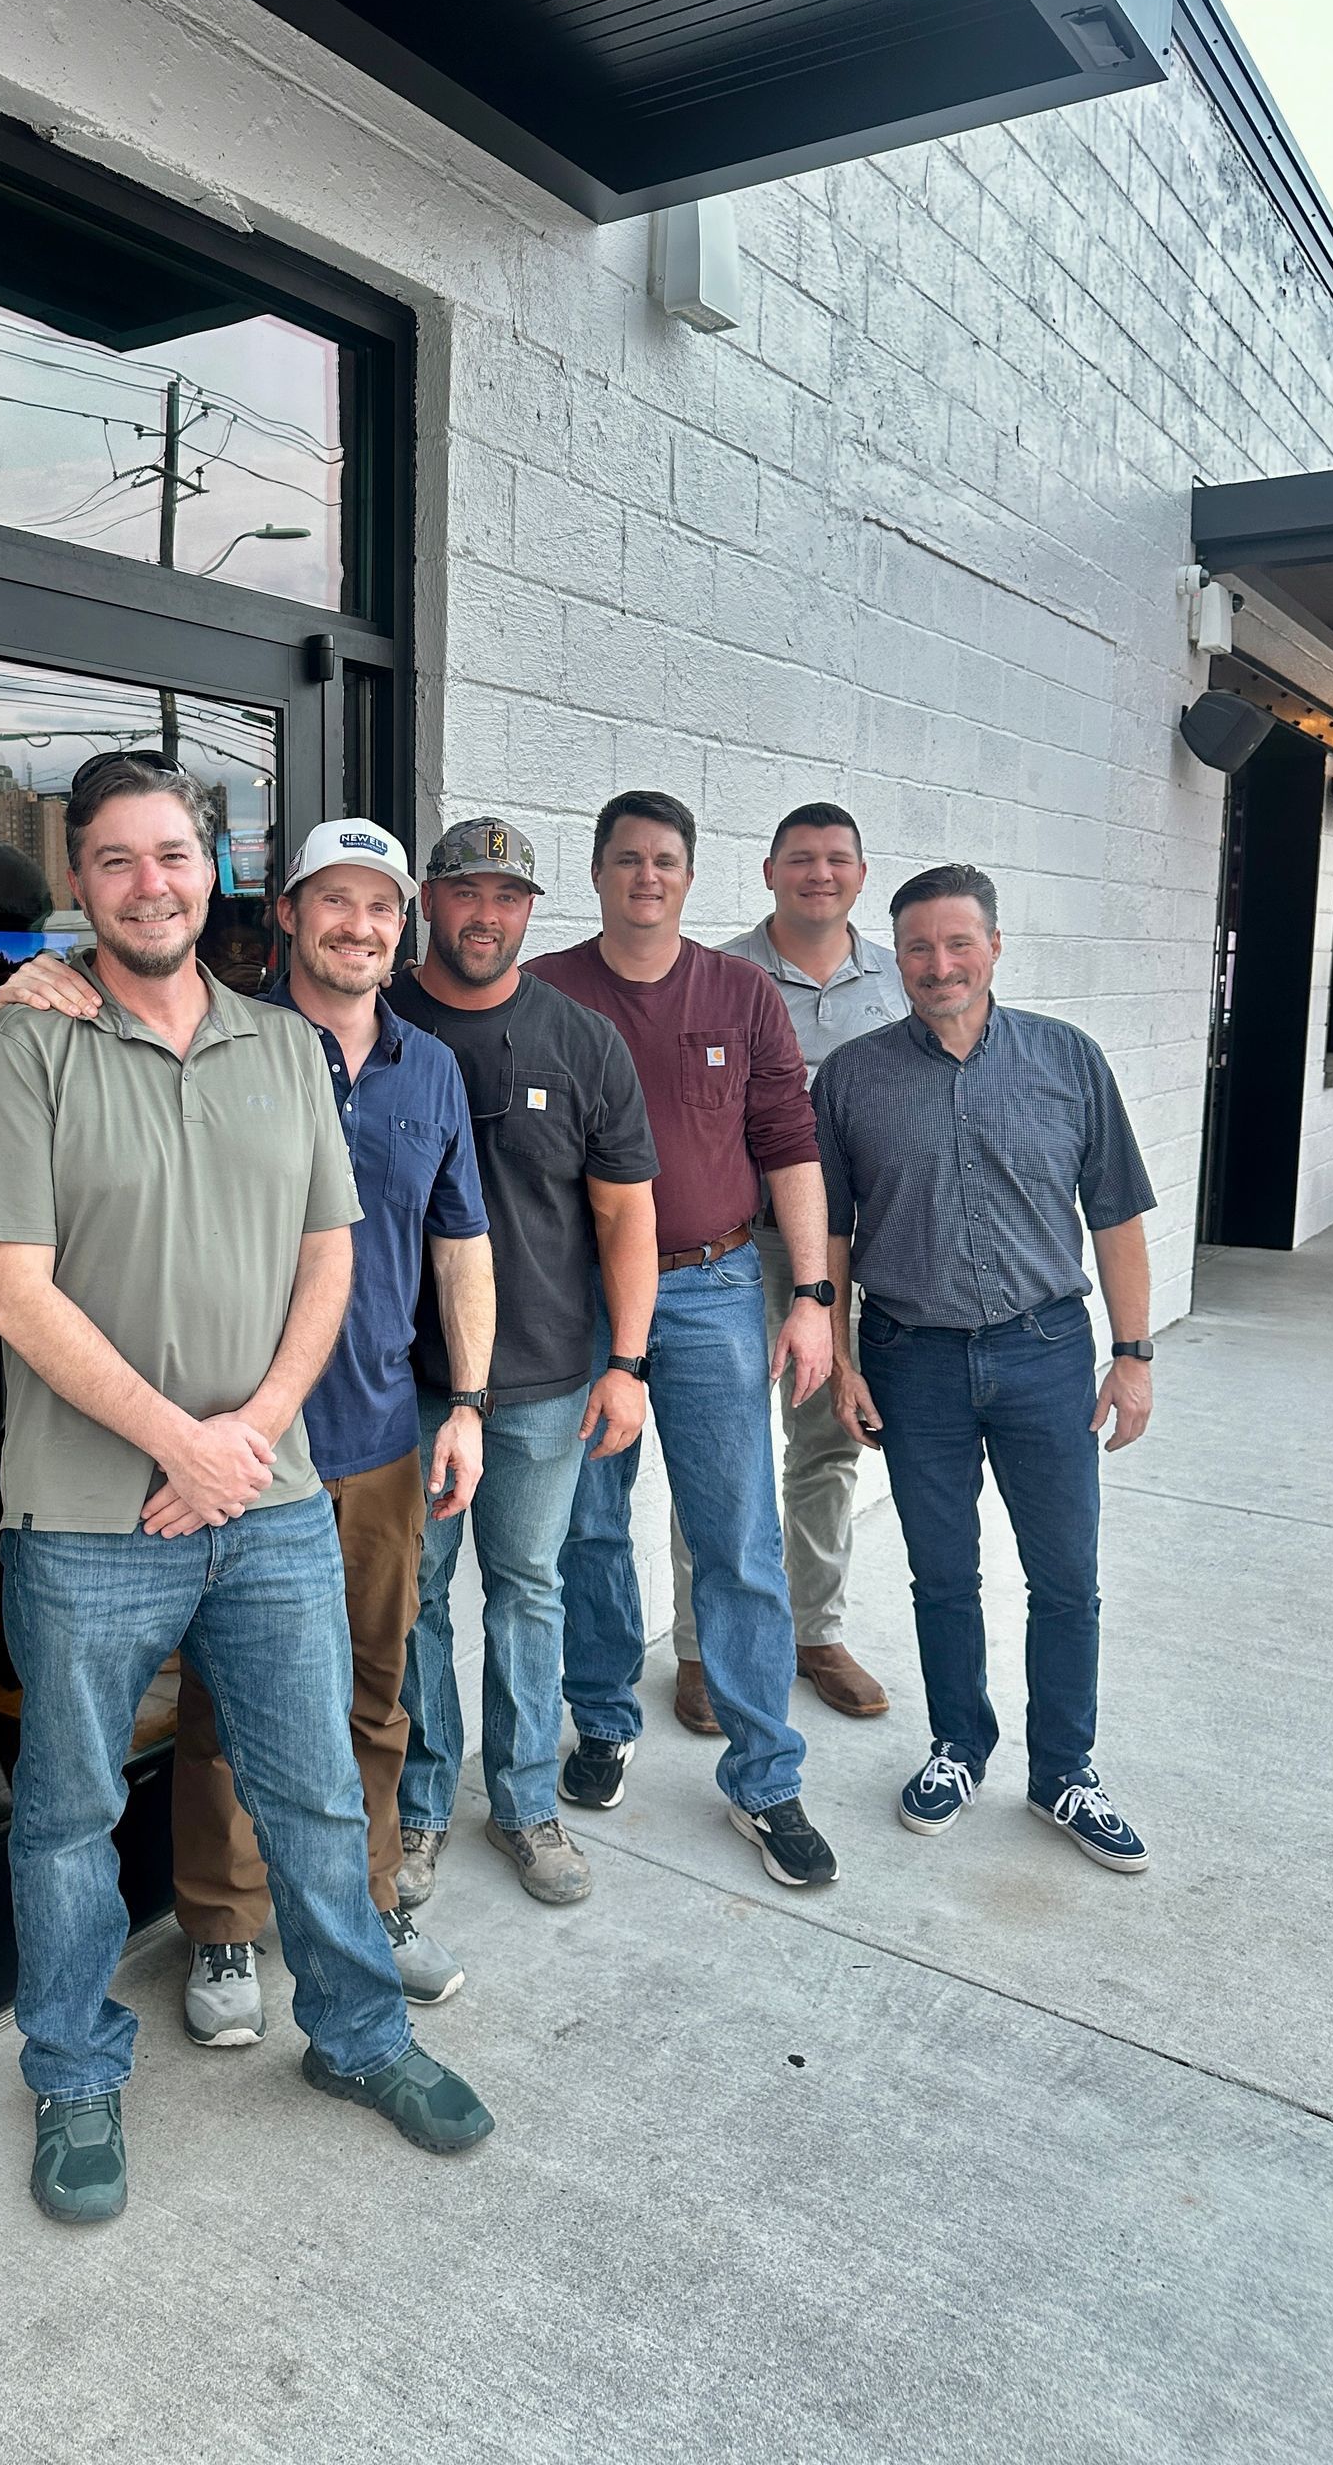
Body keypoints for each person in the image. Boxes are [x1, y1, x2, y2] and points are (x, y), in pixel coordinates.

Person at [0, 755, 493, 2225]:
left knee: (313, 1791)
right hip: (88, 1520)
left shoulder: (283, 1049)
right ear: (79, 881)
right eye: (115, 859)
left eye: (172, 854)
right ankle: (72, 2072)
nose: (149, 884)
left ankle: (359, 2036)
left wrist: (247, 1432)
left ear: (215, 870)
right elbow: (12, 1290)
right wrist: (179, 1446)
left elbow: (332, 1257)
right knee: (67, 1816)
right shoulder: (28, 1046)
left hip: (275, 1500)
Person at [817, 862, 1156, 1871]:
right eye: (918, 947)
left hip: (1045, 1353)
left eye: (959, 942)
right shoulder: (853, 1078)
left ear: (995, 947)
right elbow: (830, 1236)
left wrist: (1133, 1355)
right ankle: (959, 1745)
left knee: (1067, 1577)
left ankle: (1064, 1771)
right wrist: (842, 1360)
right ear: (896, 959)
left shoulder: (1068, 1059)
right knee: (941, 1574)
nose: (939, 964)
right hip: (910, 1359)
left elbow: (1117, 1217)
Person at [537, 792, 842, 1890]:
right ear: (597, 872)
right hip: (577, 1300)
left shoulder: (740, 992)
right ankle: (603, 1718)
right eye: (627, 859)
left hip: (712, 1286)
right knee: (589, 1525)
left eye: (665, 860)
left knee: (738, 1535)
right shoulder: (546, 991)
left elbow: (789, 1143)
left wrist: (812, 1295)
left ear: (690, 875)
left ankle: (766, 1777)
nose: (646, 877)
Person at [390, 817, 660, 1909]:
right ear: (429, 900)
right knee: (414, 1597)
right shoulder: (372, 1018)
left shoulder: (583, 1040)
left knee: (528, 1590)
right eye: (466, 892)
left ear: (531, 912)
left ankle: (524, 1802)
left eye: (507, 897)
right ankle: (417, 1807)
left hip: (546, 1375)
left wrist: (627, 1362)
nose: (485, 915)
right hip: (402, 1377)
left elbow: (627, 1216)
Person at [661, 803, 908, 1729]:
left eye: (837, 859)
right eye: (800, 859)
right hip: (738, 1247)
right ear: (768, 871)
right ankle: (701, 1649)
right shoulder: (718, 976)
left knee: (827, 1446)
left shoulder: (897, 982)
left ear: (861, 874)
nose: (819, 873)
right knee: (718, 1451)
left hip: (853, 1250)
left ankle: (816, 1631)